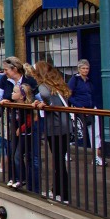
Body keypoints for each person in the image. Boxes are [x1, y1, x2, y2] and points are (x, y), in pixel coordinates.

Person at [34, 61, 72, 203]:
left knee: (58, 161)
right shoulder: (60, 86)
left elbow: (43, 95)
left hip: (55, 128)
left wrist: (41, 103)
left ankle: (63, 195)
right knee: (59, 160)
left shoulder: (45, 87)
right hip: (65, 127)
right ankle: (56, 191)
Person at [67, 59, 103, 166]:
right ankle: (65, 153)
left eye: (87, 68)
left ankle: (96, 157)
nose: (85, 70)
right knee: (75, 133)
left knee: (95, 133)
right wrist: (79, 106)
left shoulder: (88, 80)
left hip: (91, 109)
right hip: (79, 110)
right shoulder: (75, 80)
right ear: (79, 69)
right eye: (83, 68)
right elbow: (68, 94)